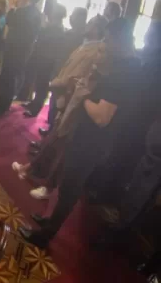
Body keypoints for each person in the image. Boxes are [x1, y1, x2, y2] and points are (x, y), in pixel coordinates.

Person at [20, 18, 140, 248]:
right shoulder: (127, 66)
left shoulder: (124, 73)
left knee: (70, 188)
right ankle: (49, 222)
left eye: (107, 39)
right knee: (68, 185)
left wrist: (82, 93)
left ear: (117, 40)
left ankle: (45, 236)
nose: (104, 44)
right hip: (90, 139)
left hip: (93, 142)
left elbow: (101, 117)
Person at [0, 0, 43, 115]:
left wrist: (13, 8)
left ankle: (3, 104)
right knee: (17, 74)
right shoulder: (39, 15)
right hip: (26, 49)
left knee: (8, 76)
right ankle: (10, 99)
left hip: (13, 47)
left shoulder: (22, 11)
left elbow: (9, 21)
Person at [23, 4, 68, 117]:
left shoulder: (57, 28)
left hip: (48, 60)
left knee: (42, 85)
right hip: (42, 57)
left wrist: (43, 26)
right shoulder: (53, 26)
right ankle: (34, 103)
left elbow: (44, 39)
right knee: (38, 83)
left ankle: (35, 109)